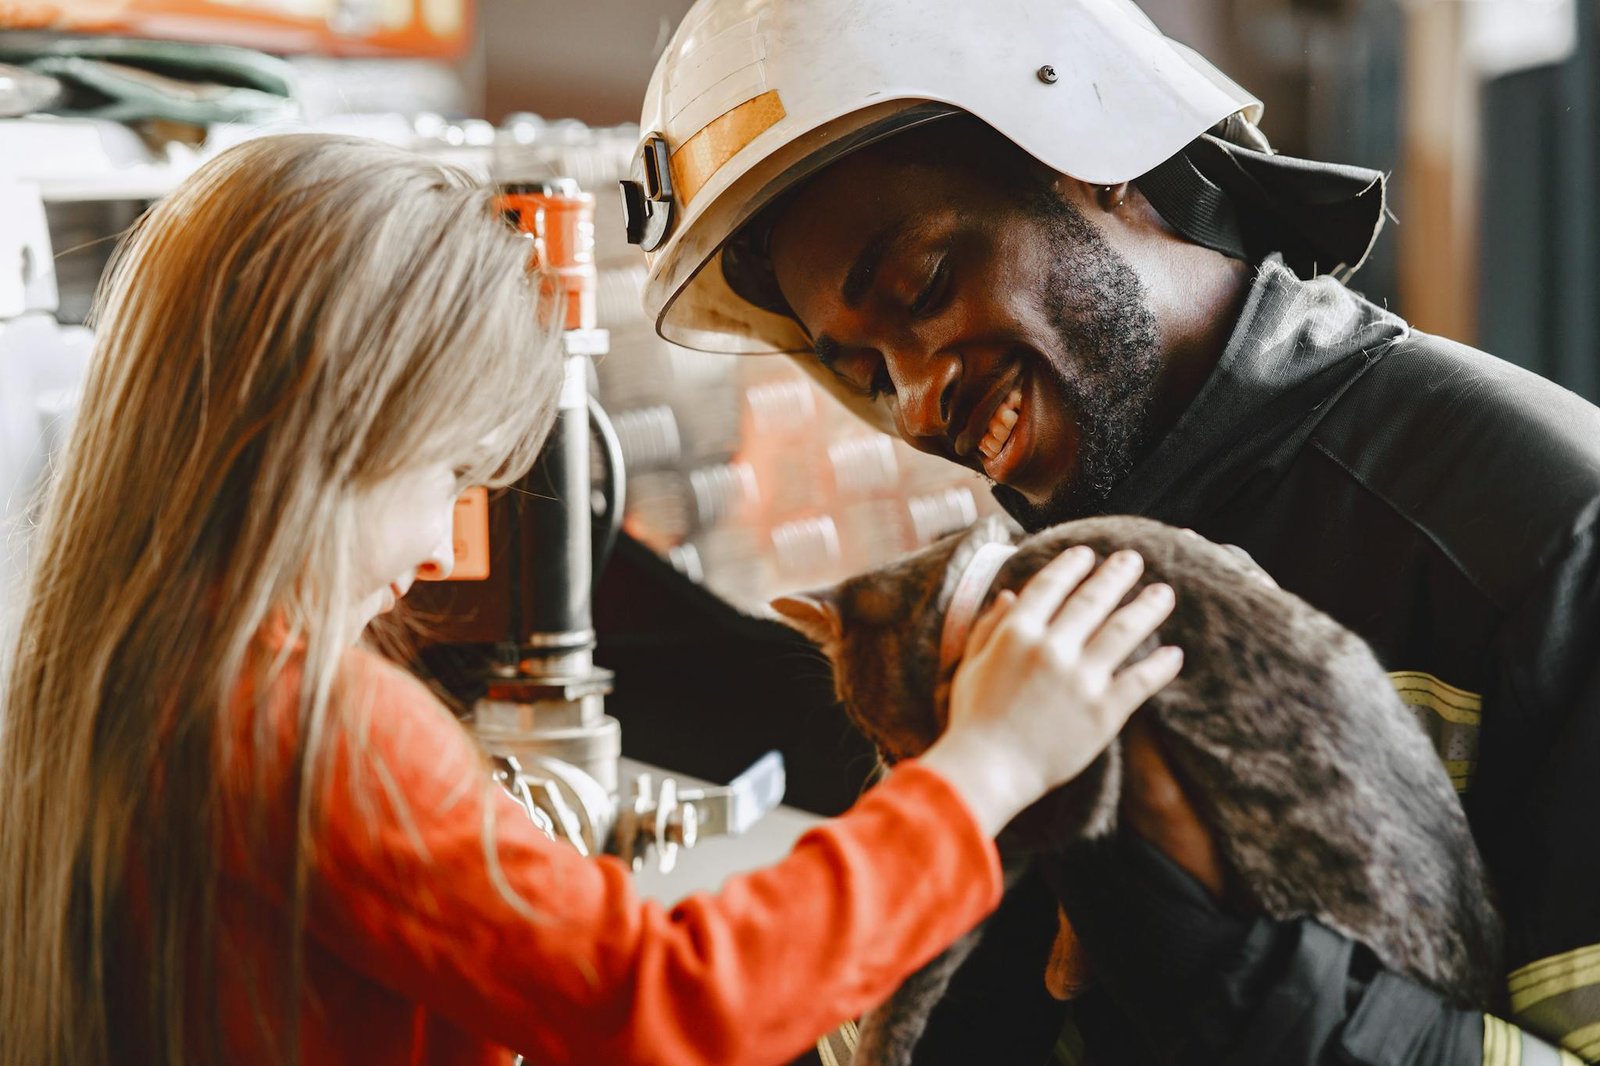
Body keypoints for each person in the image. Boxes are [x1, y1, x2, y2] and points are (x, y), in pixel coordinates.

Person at [0, 133, 1189, 1066]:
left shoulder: (99, 680)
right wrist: (987, 766)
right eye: (452, 476)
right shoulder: (312, 721)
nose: (430, 551)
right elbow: (667, 1002)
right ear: (345, 423)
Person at [626, 1, 1600, 1064]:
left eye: (922, 286)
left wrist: (1200, 945)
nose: (909, 403)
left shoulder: (1542, 528)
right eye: (860, 370)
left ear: (1092, 155)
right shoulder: (1059, 565)